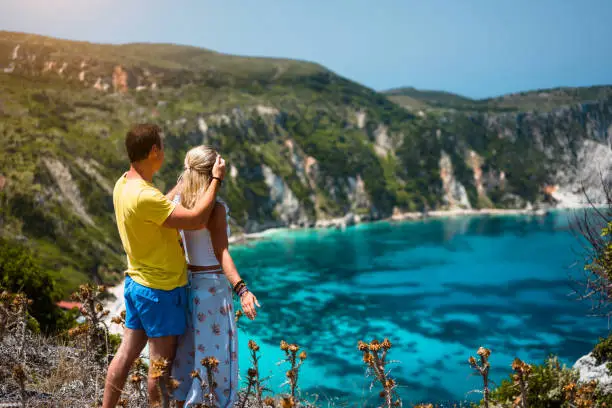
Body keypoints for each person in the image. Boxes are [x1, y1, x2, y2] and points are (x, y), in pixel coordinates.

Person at [103, 124, 226, 408]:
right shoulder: (145, 196)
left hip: (137, 284)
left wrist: (183, 183)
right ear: (154, 151)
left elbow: (161, 205)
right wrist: (216, 179)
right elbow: (196, 218)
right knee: (160, 369)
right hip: (161, 291)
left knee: (125, 355)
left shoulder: (124, 184)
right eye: (162, 147)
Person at [171, 145, 260, 408]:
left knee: (187, 356)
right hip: (212, 291)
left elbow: (163, 202)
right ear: (213, 172)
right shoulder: (215, 209)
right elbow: (221, 252)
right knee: (217, 358)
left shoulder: (178, 204)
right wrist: (242, 290)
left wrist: (187, 178)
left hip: (187, 286)